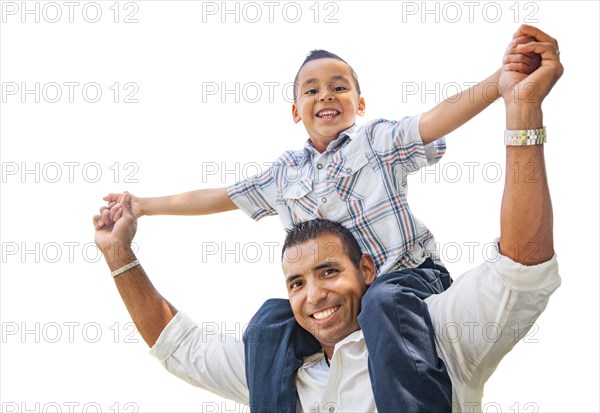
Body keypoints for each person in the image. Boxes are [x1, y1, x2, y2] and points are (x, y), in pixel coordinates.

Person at [94, 24, 563, 412]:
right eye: (312, 90)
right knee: (269, 323)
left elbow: (437, 118)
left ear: (359, 104)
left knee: (381, 303)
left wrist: (501, 87)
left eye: (340, 86)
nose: (326, 95)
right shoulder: (283, 174)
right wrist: (142, 206)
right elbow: (214, 198)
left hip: (407, 284)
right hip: (362, 304)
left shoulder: (376, 142)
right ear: (295, 111)